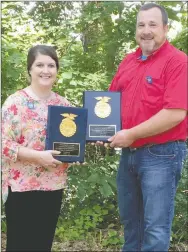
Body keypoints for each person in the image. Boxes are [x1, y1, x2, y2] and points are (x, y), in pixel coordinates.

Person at [106, 3, 187, 251]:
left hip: (161, 155)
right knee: (132, 226)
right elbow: (109, 104)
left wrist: (129, 134)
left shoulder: (178, 62)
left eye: (153, 24)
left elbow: (175, 114)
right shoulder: (129, 61)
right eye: (141, 25)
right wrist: (101, 131)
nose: (146, 30)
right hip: (129, 154)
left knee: (155, 229)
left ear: (165, 28)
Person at [2, 45, 72, 251]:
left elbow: (71, 143)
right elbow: (4, 144)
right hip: (22, 186)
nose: (46, 70)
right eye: (39, 64)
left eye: (51, 65)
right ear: (29, 69)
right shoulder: (15, 103)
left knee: (43, 244)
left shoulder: (64, 105)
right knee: (20, 245)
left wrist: (78, 152)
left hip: (53, 184)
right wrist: (37, 156)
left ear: (57, 70)